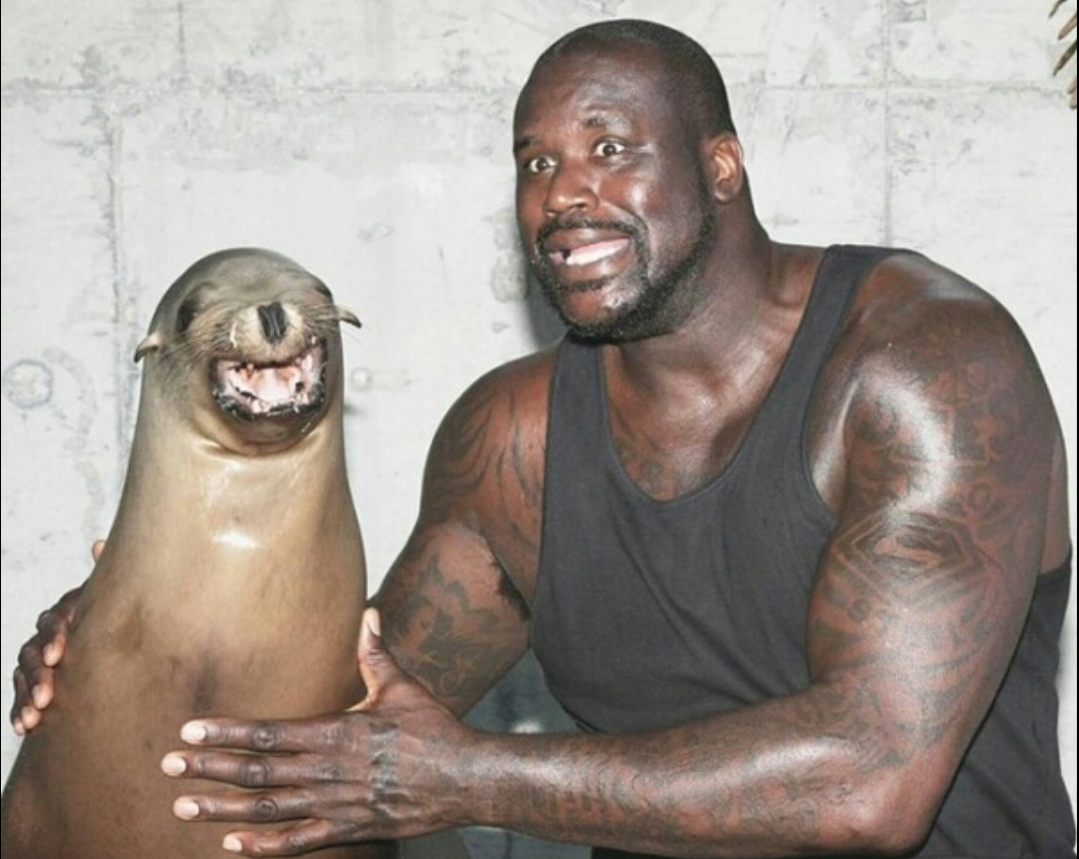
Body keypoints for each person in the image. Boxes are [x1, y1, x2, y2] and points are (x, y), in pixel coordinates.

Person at [9, 19, 1075, 859]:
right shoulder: (512, 438)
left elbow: (869, 782)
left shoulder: (921, 359)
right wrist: (122, 646)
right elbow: (350, 720)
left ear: (720, 166)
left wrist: (470, 780)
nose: (562, 194)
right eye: (533, 163)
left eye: (608, 149)